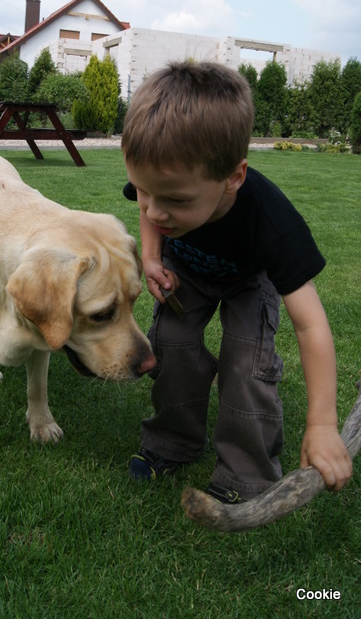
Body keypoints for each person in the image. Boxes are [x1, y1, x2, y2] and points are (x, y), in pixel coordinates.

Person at [121, 60, 352, 503]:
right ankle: (172, 442)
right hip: (185, 271)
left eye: (175, 200)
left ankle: (246, 475)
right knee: (171, 345)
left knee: (246, 363)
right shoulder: (159, 185)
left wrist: (322, 424)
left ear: (234, 178)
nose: (153, 211)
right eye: (144, 190)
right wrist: (151, 257)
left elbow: (311, 325)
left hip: (248, 280)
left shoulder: (272, 222)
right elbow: (145, 208)